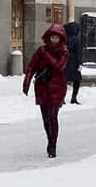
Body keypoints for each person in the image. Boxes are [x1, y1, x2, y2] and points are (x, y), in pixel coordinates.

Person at [23, 23, 69, 158]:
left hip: (57, 87)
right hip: (42, 87)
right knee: (46, 118)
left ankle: (52, 145)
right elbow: (31, 66)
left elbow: (58, 66)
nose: (54, 40)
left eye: (57, 37)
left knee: (53, 116)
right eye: (52, 37)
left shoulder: (64, 52)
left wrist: (47, 55)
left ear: (61, 39)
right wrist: (26, 82)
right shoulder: (41, 50)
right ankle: (50, 139)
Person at [63, 19, 84, 104]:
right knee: (77, 80)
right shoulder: (76, 39)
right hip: (74, 62)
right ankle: (73, 98)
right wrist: (80, 63)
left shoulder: (63, 38)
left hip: (64, 62)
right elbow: (78, 52)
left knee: (63, 81)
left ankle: (62, 98)